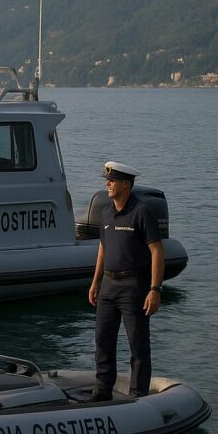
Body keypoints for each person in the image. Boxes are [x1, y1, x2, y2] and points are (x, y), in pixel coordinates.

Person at [87, 161, 164, 401]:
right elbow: (102, 248)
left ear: (126, 184)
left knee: (138, 345)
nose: (107, 183)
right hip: (108, 286)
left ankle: (138, 396)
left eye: (112, 180)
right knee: (102, 341)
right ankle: (102, 392)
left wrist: (155, 289)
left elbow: (157, 251)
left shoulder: (141, 212)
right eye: (107, 180)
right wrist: (95, 282)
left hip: (134, 287)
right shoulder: (106, 212)